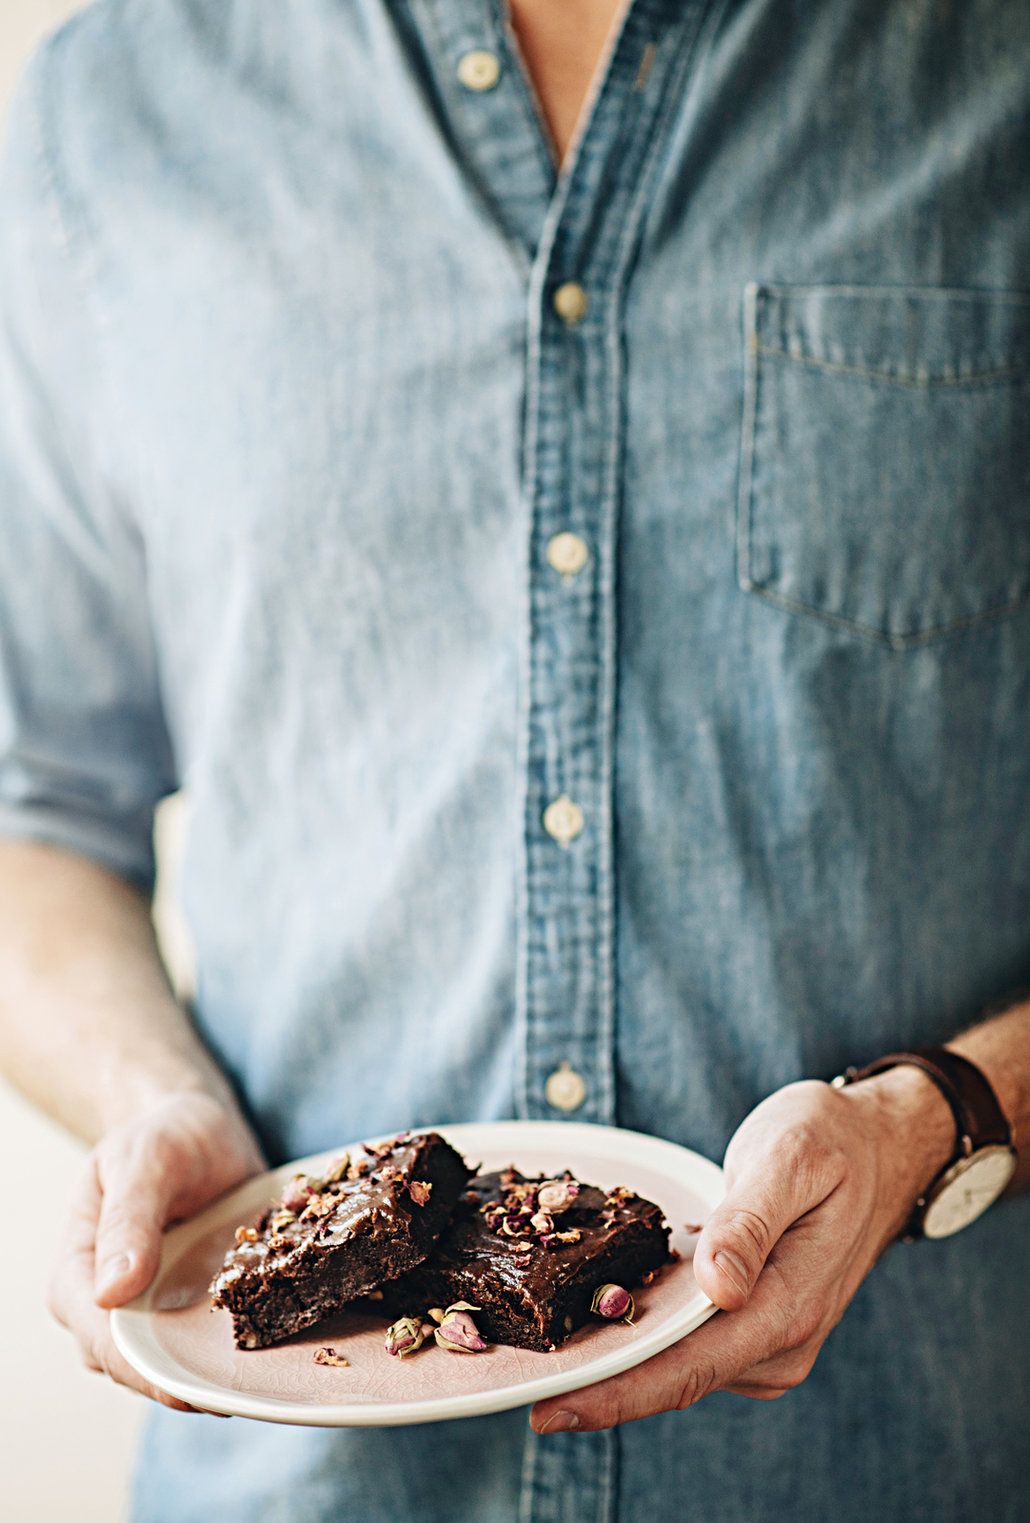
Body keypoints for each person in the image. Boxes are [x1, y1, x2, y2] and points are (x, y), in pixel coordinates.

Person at [1, 0, 1027, 1518]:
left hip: (903, 1461)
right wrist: (152, 1103)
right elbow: (33, 812)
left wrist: (939, 1115)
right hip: (296, 1486)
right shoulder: (117, 106)